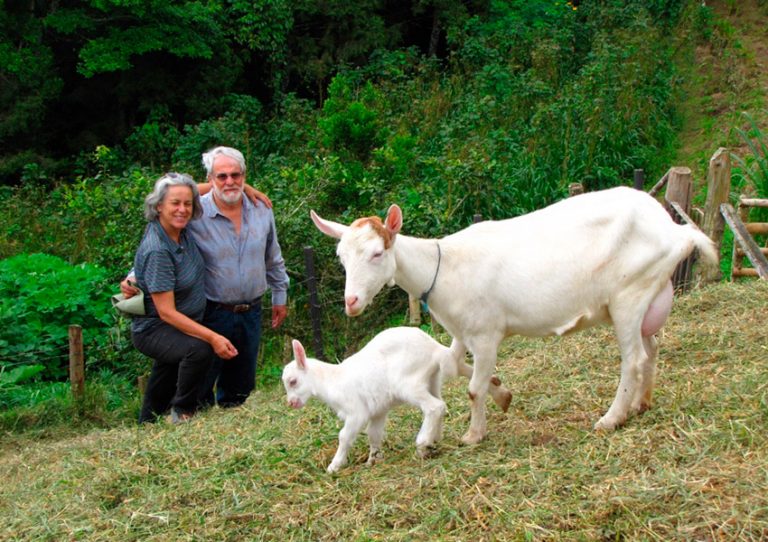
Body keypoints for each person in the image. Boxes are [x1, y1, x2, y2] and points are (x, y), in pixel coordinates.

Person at [123, 147, 289, 409]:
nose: (230, 181)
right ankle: (189, 424)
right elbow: (163, 233)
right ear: (210, 178)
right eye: (221, 176)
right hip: (211, 311)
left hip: (251, 311)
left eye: (236, 175)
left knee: (240, 388)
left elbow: (273, 256)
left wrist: (280, 294)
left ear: (245, 175)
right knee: (200, 384)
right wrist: (134, 276)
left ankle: (233, 430)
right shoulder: (194, 213)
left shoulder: (261, 209)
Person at [130, 172, 238, 424]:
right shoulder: (158, 249)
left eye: (187, 204)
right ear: (158, 207)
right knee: (199, 350)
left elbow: (193, 191)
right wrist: (212, 337)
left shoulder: (179, 231)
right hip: (155, 327)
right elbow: (166, 312)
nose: (182, 209)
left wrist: (239, 187)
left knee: (166, 369)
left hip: (176, 323)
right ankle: (183, 412)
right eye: (174, 204)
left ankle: (148, 420)